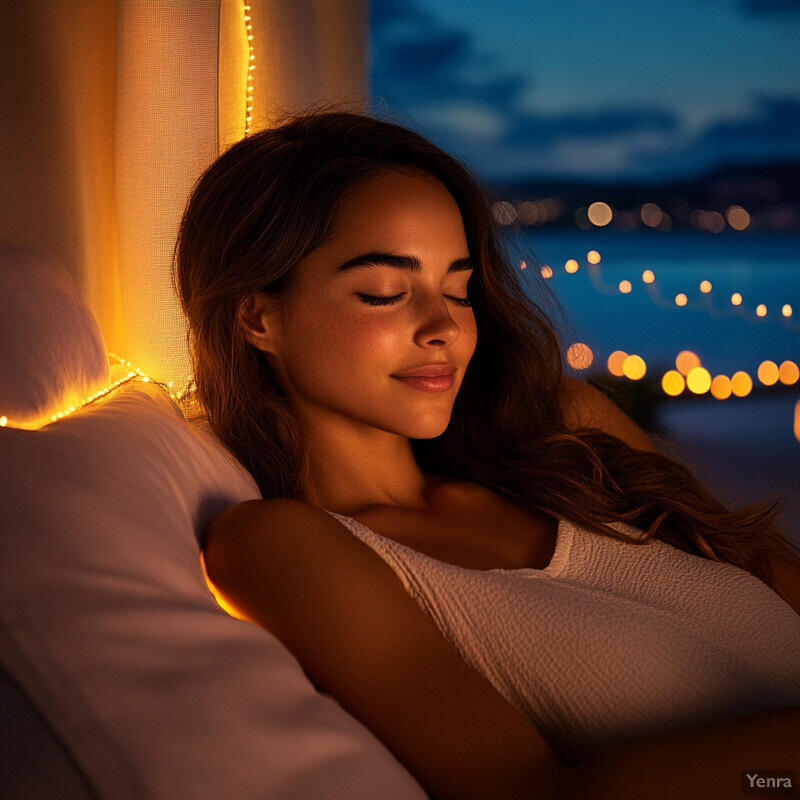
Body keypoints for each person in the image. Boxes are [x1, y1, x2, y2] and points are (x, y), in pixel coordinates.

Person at [175, 110, 800, 800]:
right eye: (385, 292)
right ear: (256, 316)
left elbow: (768, 573)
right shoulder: (283, 546)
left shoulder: (565, 431)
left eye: (458, 289)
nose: (444, 326)